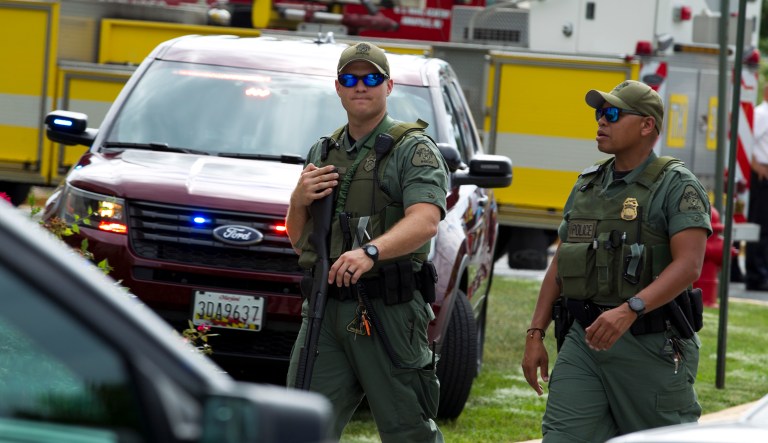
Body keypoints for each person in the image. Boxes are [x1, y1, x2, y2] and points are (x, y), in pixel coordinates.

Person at [521, 80, 712, 442]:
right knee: (563, 436)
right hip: (585, 339)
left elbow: (689, 265)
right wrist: (535, 334)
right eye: (599, 114)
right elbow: (562, 261)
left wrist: (630, 309)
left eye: (612, 114)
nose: (601, 122)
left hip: (652, 343)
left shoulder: (677, 185)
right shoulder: (588, 184)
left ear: (646, 126)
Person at [285, 41, 448, 442]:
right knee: (296, 427)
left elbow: (426, 222)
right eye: (351, 78)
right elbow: (298, 239)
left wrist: (371, 252)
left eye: (371, 77)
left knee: (408, 431)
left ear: (388, 87)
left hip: (388, 312)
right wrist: (298, 198)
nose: (361, 86)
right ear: (338, 87)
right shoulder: (323, 152)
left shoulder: (413, 149)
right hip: (325, 311)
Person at [745, 85, 768, 291]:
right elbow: (747, 141)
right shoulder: (762, 113)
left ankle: (762, 273)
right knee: (760, 228)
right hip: (762, 174)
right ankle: (756, 275)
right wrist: (757, 166)